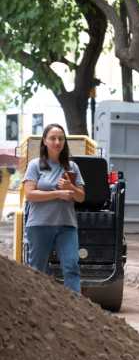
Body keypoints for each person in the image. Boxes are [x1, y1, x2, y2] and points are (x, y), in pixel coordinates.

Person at [23, 123, 85, 292]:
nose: (57, 142)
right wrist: (58, 194)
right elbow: (29, 194)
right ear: (44, 141)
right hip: (39, 225)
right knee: (37, 270)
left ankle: (75, 305)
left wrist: (70, 188)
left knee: (72, 267)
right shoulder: (35, 165)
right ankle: (35, 303)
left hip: (67, 225)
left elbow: (81, 197)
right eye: (52, 138)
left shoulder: (72, 167)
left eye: (61, 138)